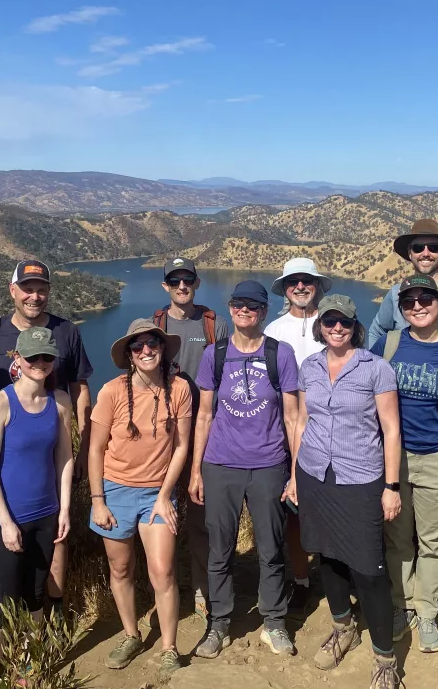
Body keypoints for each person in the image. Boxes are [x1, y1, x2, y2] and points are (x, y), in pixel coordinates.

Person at [286, 294, 404, 689]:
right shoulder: (310, 366)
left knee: (369, 569)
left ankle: (385, 660)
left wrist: (391, 486)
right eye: (331, 321)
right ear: (321, 326)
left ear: (356, 326)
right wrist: (293, 475)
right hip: (314, 474)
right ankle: (343, 627)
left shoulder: (376, 369)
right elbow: (302, 421)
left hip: (361, 478)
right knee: (328, 555)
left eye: (345, 322)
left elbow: (390, 429)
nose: (337, 328)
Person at [0, 259, 93, 615]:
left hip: (50, 452)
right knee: (11, 546)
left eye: (41, 289)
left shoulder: (66, 331)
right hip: (6, 461)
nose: (34, 296)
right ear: (13, 291)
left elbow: (79, 386)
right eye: (27, 288)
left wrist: (81, 442)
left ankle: (53, 611)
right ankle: (14, 617)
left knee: (55, 539)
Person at [367, 218, 438, 601]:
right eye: (418, 248)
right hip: (400, 427)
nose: (426, 253)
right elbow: (374, 334)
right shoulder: (396, 293)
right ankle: (406, 589)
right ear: (410, 254)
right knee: (399, 511)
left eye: (433, 246)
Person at [190, 280, 300, 658]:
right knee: (220, 549)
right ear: (230, 308)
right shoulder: (214, 355)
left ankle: (273, 621)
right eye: (238, 304)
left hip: (269, 463)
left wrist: (296, 472)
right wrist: (195, 471)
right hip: (221, 464)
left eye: (253, 305)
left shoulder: (280, 354)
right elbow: (204, 415)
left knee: (271, 546)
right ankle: (219, 622)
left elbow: (292, 417)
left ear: (264, 312)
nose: (245, 310)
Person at [89, 319, 192, 681]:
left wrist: (165, 496)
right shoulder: (112, 392)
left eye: (153, 344)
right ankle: (132, 634)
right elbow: (96, 449)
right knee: (121, 569)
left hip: (155, 495)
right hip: (115, 490)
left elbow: (181, 445)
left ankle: (168, 648)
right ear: (130, 356)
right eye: (138, 347)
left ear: (163, 350)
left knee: (162, 570)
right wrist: (98, 501)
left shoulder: (178, 389)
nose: (146, 351)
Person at [0, 327, 75, 671]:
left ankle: (29, 667)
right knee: (1, 603)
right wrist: (5, 522)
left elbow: (65, 458)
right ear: (17, 358)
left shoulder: (60, 402)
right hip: (9, 520)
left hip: (46, 514)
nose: (40, 363)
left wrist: (64, 509)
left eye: (47, 357)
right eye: (32, 357)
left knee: (36, 595)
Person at [152, 256, 229, 619]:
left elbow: (233, 376)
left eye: (188, 280)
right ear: (166, 286)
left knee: (199, 518)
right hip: (163, 438)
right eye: (175, 281)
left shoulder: (213, 324)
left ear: (196, 284)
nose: (182, 286)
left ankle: (201, 587)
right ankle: (163, 590)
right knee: (161, 517)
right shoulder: (157, 325)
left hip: (206, 435)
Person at [264, 257, 332, 613]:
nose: (301, 286)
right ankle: (303, 580)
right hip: (287, 433)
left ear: (318, 285)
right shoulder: (274, 331)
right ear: (285, 288)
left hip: (333, 436)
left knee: (335, 507)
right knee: (292, 510)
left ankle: (338, 574)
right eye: (294, 282)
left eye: (308, 280)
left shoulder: (335, 324)